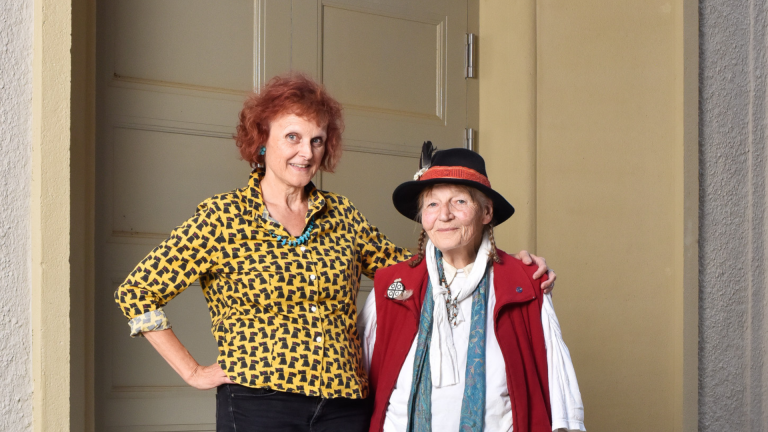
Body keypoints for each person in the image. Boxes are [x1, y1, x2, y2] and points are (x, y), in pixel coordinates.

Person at [114, 74, 556, 432]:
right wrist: (194, 372)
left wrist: (509, 266)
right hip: (259, 404)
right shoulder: (222, 217)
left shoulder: (341, 216)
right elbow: (136, 293)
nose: (305, 153)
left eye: (317, 141)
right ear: (262, 139)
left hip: (344, 405)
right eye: (292, 137)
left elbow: (418, 271)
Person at [360, 145, 584, 432]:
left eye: (460, 202)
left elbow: (560, 393)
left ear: (486, 212)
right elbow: (363, 379)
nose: (444, 215)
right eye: (432, 204)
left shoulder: (524, 284)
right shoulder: (393, 286)